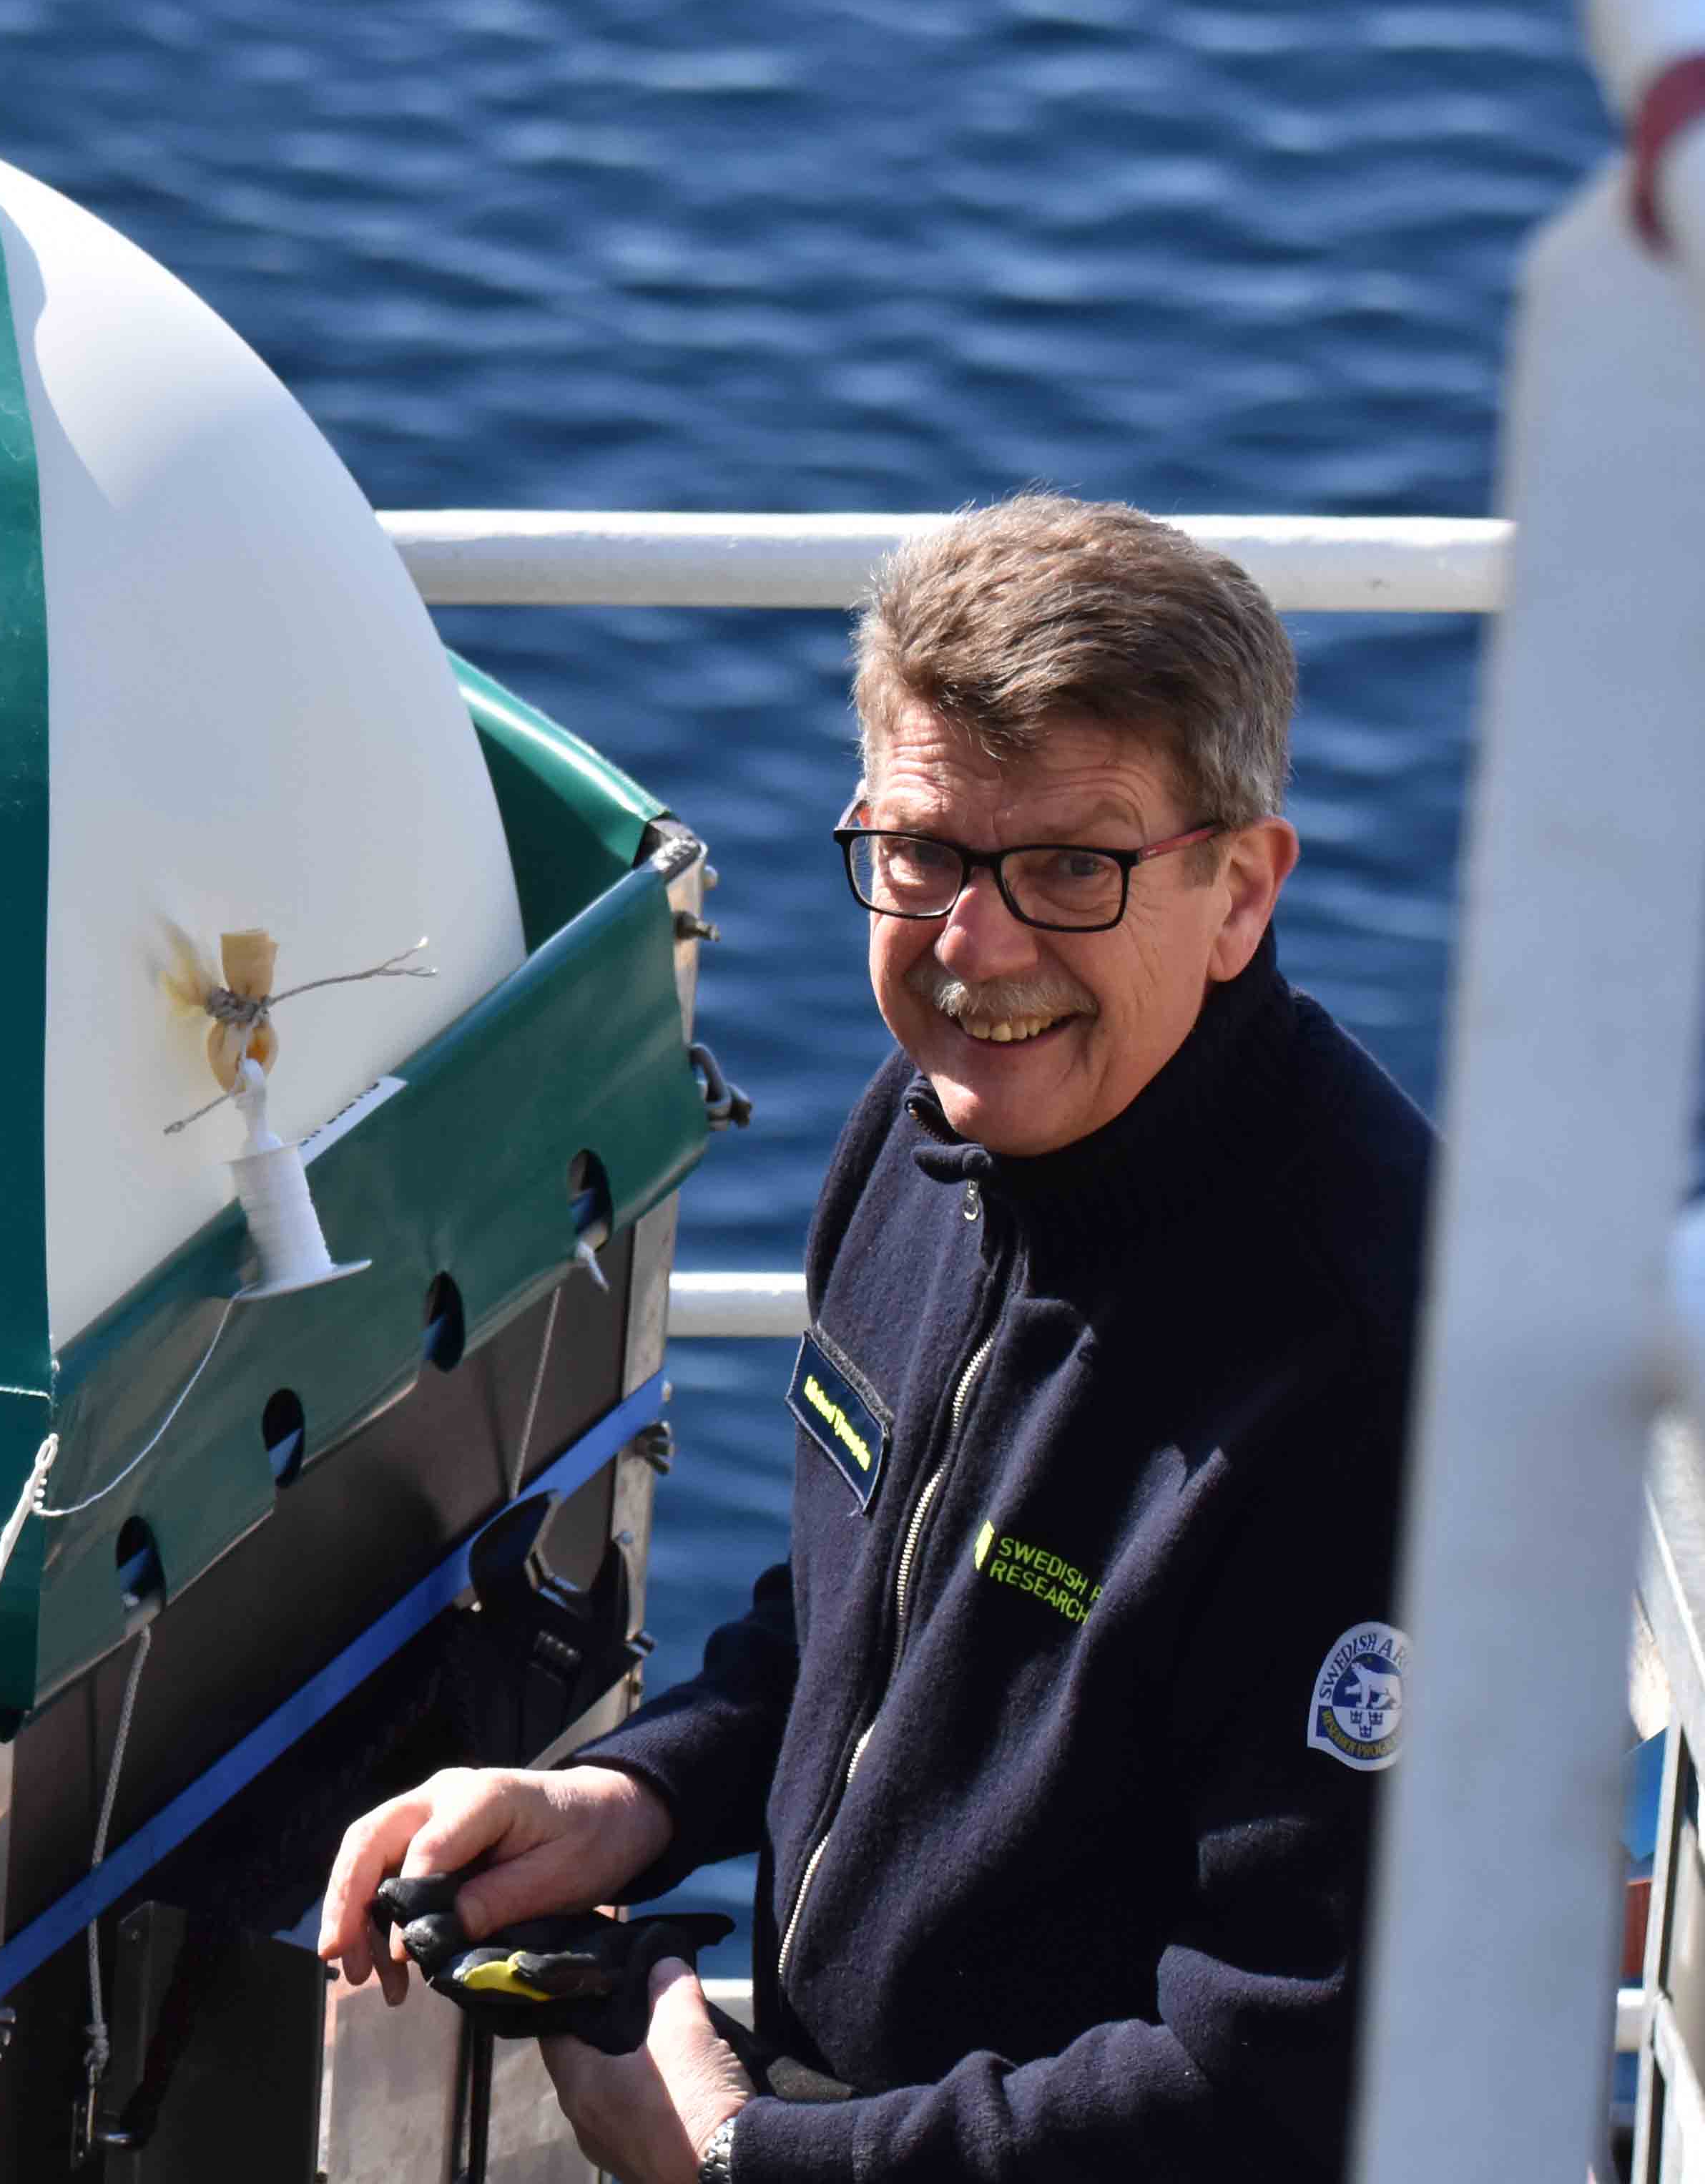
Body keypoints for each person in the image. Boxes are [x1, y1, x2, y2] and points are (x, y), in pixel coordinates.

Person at [313, 491, 1431, 2181]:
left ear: (1239, 891)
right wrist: (635, 1793)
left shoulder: (1362, 1367)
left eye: (1072, 862)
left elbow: (1283, 2074)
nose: (975, 948)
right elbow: (873, 1612)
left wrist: (758, 2160)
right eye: (922, 852)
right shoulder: (930, 1136)